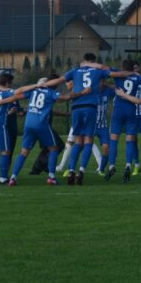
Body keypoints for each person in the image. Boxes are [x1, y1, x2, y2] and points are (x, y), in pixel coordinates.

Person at [43, 53, 129, 185]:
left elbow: (59, 80)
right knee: (88, 141)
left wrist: (41, 85)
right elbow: (116, 74)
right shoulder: (98, 70)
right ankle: (81, 171)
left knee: (78, 142)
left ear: (84, 60)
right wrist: (132, 74)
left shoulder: (75, 70)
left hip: (76, 106)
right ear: (94, 61)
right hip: (90, 107)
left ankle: (71, 170)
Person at [0, 75, 89, 186]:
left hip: (28, 123)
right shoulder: (50, 92)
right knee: (54, 148)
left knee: (24, 152)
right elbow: (65, 98)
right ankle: (51, 177)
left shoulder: (34, 91)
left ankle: (13, 177)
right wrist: (83, 93)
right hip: (41, 124)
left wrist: (2, 101)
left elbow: (16, 97)